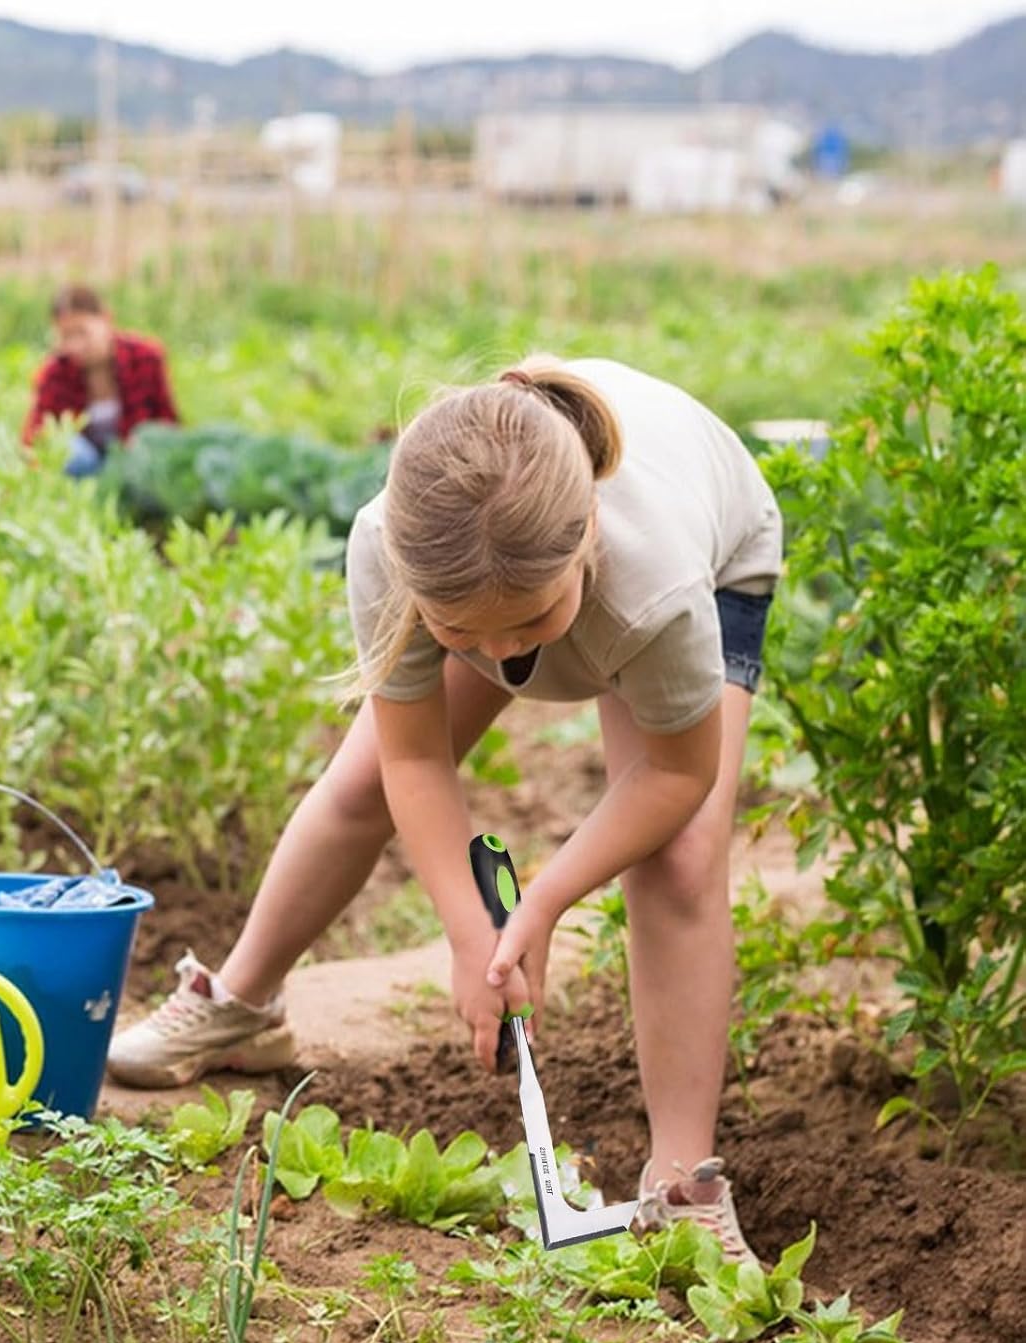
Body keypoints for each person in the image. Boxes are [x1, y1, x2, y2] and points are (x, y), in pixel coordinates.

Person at [107, 354, 784, 1263]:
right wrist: (471, 932)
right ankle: (242, 1001)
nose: (500, 657)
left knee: (680, 859)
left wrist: (543, 902)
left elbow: (676, 775)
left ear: (587, 534)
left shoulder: (654, 590)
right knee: (360, 781)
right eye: (463, 635)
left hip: (706, 555)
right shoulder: (395, 546)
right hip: (513, 570)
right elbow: (415, 758)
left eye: (527, 629)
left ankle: (682, 1182)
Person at [22, 285, 180, 476]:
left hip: (134, 465)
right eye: (66, 336)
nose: (75, 345)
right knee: (70, 450)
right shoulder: (55, 373)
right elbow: (36, 435)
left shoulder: (145, 358)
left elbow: (168, 421)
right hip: (86, 471)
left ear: (106, 318)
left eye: (82, 332)